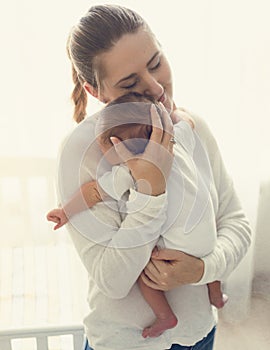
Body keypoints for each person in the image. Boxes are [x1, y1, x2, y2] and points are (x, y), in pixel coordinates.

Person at [56, 4, 251, 350]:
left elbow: (235, 222)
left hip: (200, 334)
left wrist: (203, 270)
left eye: (156, 63)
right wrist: (151, 192)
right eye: (129, 83)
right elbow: (112, 282)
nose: (156, 88)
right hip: (125, 343)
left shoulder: (194, 127)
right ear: (95, 92)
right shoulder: (83, 151)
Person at [47, 92, 227, 339]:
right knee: (205, 244)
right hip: (208, 243)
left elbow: (94, 193)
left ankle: (165, 315)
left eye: (105, 146)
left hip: (176, 251)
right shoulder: (181, 140)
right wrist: (173, 112)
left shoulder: (132, 170)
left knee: (142, 270)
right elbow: (187, 121)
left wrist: (65, 210)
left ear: (118, 145)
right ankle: (215, 293)